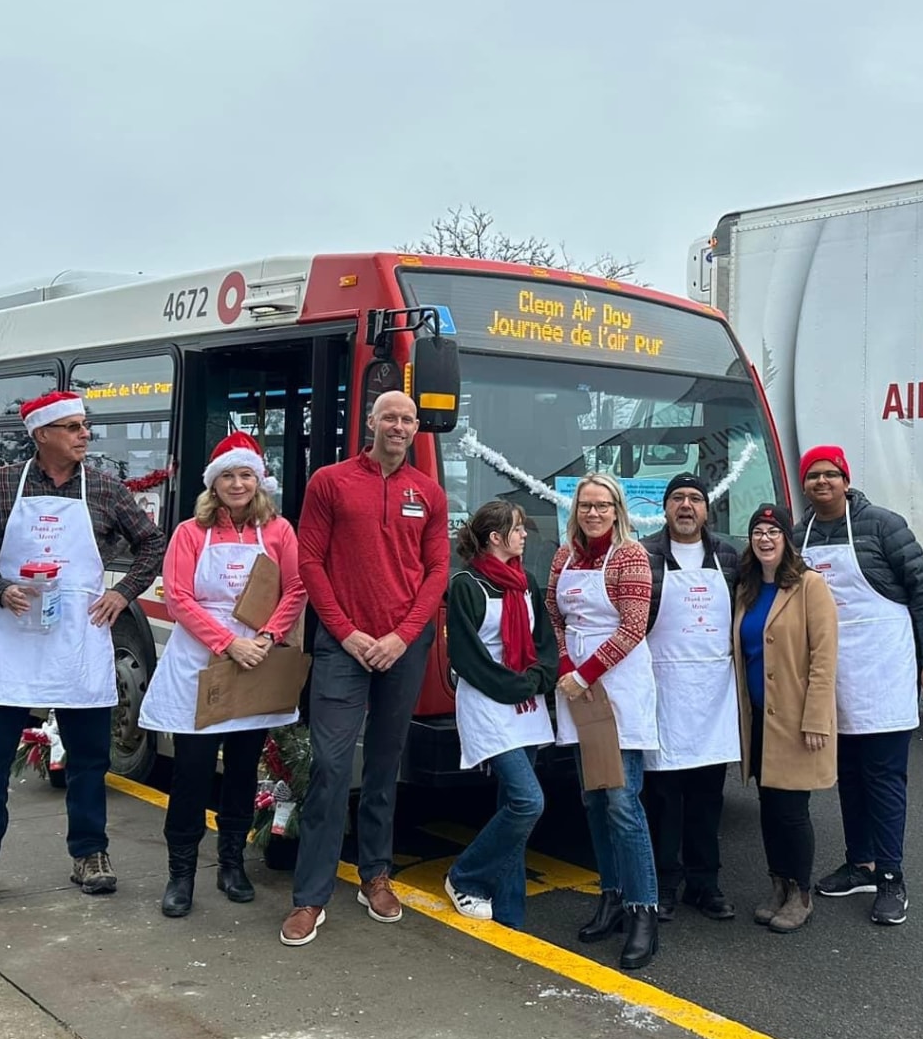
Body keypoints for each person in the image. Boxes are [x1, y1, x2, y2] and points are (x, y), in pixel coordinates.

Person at [0, 390, 165, 902]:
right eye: (73, 426)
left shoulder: (105, 489)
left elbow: (152, 542)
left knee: (89, 758)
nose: (85, 434)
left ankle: (90, 854)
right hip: (13, 639)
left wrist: (122, 593)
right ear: (42, 435)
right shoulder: (0, 487)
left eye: (86, 425)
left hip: (78, 640)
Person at [281, 391, 449, 947]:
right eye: (390, 417)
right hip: (342, 647)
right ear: (369, 422)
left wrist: (402, 637)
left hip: (403, 649)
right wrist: (347, 632)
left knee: (384, 766)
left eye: (407, 419)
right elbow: (310, 561)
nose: (399, 426)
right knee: (330, 767)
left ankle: (375, 874)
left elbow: (436, 571)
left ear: (415, 427)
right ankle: (310, 896)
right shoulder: (330, 481)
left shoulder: (428, 492)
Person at [140, 433, 306, 918]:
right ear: (214, 485)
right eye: (229, 476)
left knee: (240, 771)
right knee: (191, 774)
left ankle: (231, 864)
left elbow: (296, 589)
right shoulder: (190, 532)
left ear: (259, 482)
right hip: (201, 663)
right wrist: (227, 642)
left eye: (246, 475)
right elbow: (178, 598)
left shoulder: (278, 531)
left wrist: (267, 639)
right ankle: (181, 874)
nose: (238, 484)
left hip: (256, 660)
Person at [795, 445, 923, 926]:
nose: (822, 483)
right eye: (813, 476)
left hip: (882, 667)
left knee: (884, 778)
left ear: (845, 479)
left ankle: (890, 876)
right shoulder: (799, 533)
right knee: (849, 775)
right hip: (832, 674)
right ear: (804, 484)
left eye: (830, 475)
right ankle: (859, 862)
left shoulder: (883, 524)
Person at [549, 472, 661, 971]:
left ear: (618, 511)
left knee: (621, 799)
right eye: (585, 505)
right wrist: (566, 667)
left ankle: (643, 909)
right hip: (578, 686)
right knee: (593, 797)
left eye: (602, 505)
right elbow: (555, 616)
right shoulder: (564, 556)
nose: (593, 513)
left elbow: (635, 626)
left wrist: (587, 672)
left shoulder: (632, 556)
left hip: (616, 688)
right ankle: (611, 895)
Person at [440, 500, 557, 927]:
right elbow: (466, 657)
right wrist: (516, 686)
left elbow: (542, 637)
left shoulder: (524, 581)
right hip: (489, 703)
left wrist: (539, 677)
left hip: (524, 704)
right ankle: (466, 877)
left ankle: (510, 913)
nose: (526, 535)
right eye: (518, 529)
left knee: (512, 802)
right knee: (528, 802)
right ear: (495, 538)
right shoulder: (466, 585)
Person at [638, 473, 741, 922]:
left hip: (713, 693)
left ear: (706, 509)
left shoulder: (728, 557)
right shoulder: (644, 555)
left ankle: (706, 883)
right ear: (664, 509)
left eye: (694, 498)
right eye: (677, 498)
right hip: (663, 690)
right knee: (664, 796)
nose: (686, 506)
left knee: (708, 796)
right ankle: (664, 883)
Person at [733, 504, 838, 932]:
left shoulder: (810, 586)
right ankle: (777, 885)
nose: (765, 539)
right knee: (769, 807)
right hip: (759, 720)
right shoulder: (747, 589)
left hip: (795, 719)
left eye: (773, 531)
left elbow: (824, 659)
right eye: (758, 531)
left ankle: (800, 893)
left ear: (786, 540)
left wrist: (816, 719)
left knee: (792, 810)